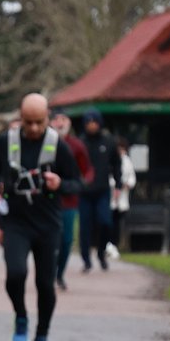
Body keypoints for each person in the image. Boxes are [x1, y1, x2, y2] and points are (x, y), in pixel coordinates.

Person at [0, 93, 82, 341]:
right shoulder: (6, 141)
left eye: (39, 122)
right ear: (20, 118)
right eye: (28, 123)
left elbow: (77, 183)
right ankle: (20, 316)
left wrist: (59, 184)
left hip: (47, 223)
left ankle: (41, 337)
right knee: (15, 274)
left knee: (44, 283)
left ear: (47, 119)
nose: (34, 129)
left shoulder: (58, 146)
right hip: (15, 221)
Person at [49, 110, 92, 291]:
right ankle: (48, 272)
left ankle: (60, 274)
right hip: (48, 201)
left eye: (63, 119)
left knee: (66, 239)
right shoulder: (45, 145)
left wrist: (83, 184)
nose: (59, 123)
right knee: (50, 239)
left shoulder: (77, 146)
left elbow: (87, 170)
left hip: (69, 200)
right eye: (56, 119)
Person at [77, 109, 121, 272]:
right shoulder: (80, 143)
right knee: (85, 226)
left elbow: (116, 164)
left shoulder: (109, 142)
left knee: (105, 222)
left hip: (102, 190)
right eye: (89, 123)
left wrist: (117, 184)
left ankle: (101, 253)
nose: (92, 126)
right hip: (84, 192)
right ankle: (86, 259)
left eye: (94, 122)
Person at [108, 136, 136, 259]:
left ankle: (114, 244)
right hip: (111, 195)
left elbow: (132, 177)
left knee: (118, 222)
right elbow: (108, 176)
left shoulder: (127, 161)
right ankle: (108, 244)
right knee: (108, 221)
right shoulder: (111, 160)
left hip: (122, 196)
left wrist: (126, 184)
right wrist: (115, 186)